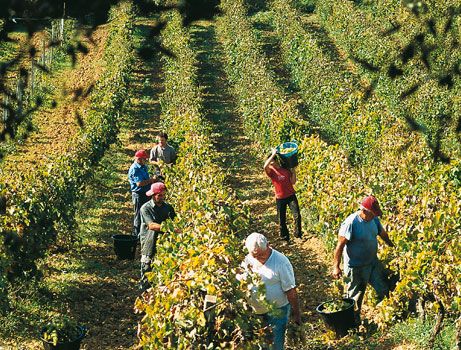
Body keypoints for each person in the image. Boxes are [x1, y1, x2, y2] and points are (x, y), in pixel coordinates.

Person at [332, 195, 394, 322]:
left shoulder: (374, 220)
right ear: (364, 211)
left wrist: (393, 246)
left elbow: (382, 234)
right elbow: (340, 246)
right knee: (355, 299)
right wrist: (336, 267)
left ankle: (389, 315)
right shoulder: (351, 223)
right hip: (356, 267)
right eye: (373, 213)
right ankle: (353, 325)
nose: (375, 216)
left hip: (372, 263)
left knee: (384, 288)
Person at [242, 232, 301, 350]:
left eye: (261, 255)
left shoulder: (281, 262)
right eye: (255, 256)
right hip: (256, 312)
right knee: (260, 345)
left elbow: (290, 290)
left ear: (269, 245)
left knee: (275, 345)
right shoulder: (248, 260)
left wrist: (296, 313)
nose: (258, 259)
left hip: (277, 312)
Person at [139, 182, 176, 290]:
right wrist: (171, 229)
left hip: (165, 244)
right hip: (149, 242)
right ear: (153, 195)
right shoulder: (145, 208)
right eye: (159, 195)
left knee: (162, 270)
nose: (162, 197)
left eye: (163, 195)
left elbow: (176, 221)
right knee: (146, 269)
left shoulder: (168, 208)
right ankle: (144, 293)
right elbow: (151, 225)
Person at [264, 149, 301, 243]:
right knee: (282, 219)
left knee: (297, 215)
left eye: (272, 160)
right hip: (280, 198)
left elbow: (293, 182)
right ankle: (285, 238)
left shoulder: (285, 169)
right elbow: (265, 166)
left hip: (291, 196)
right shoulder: (271, 172)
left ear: (276, 161)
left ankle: (298, 234)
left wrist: (293, 171)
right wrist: (272, 154)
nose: (271, 163)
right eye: (270, 161)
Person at [128, 149, 158, 237]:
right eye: (144, 159)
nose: (146, 161)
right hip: (138, 194)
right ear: (139, 159)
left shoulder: (143, 166)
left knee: (145, 213)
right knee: (138, 214)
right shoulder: (135, 169)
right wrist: (152, 180)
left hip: (145, 193)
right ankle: (136, 235)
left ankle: (143, 233)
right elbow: (139, 183)